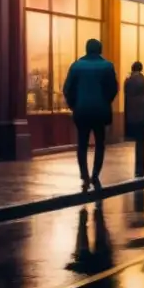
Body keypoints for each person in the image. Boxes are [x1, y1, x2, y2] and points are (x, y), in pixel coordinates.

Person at [62, 38, 118, 190]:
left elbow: (67, 89)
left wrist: (74, 105)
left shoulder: (76, 66)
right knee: (100, 143)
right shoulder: (107, 66)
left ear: (86, 49)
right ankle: (95, 174)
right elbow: (113, 89)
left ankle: (84, 175)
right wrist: (105, 102)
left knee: (82, 144)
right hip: (100, 111)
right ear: (100, 49)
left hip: (82, 111)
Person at [123, 61, 144, 176]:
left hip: (131, 113)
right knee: (141, 141)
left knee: (135, 139)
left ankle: (138, 165)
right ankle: (141, 165)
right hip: (141, 113)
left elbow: (126, 94)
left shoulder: (128, 81)